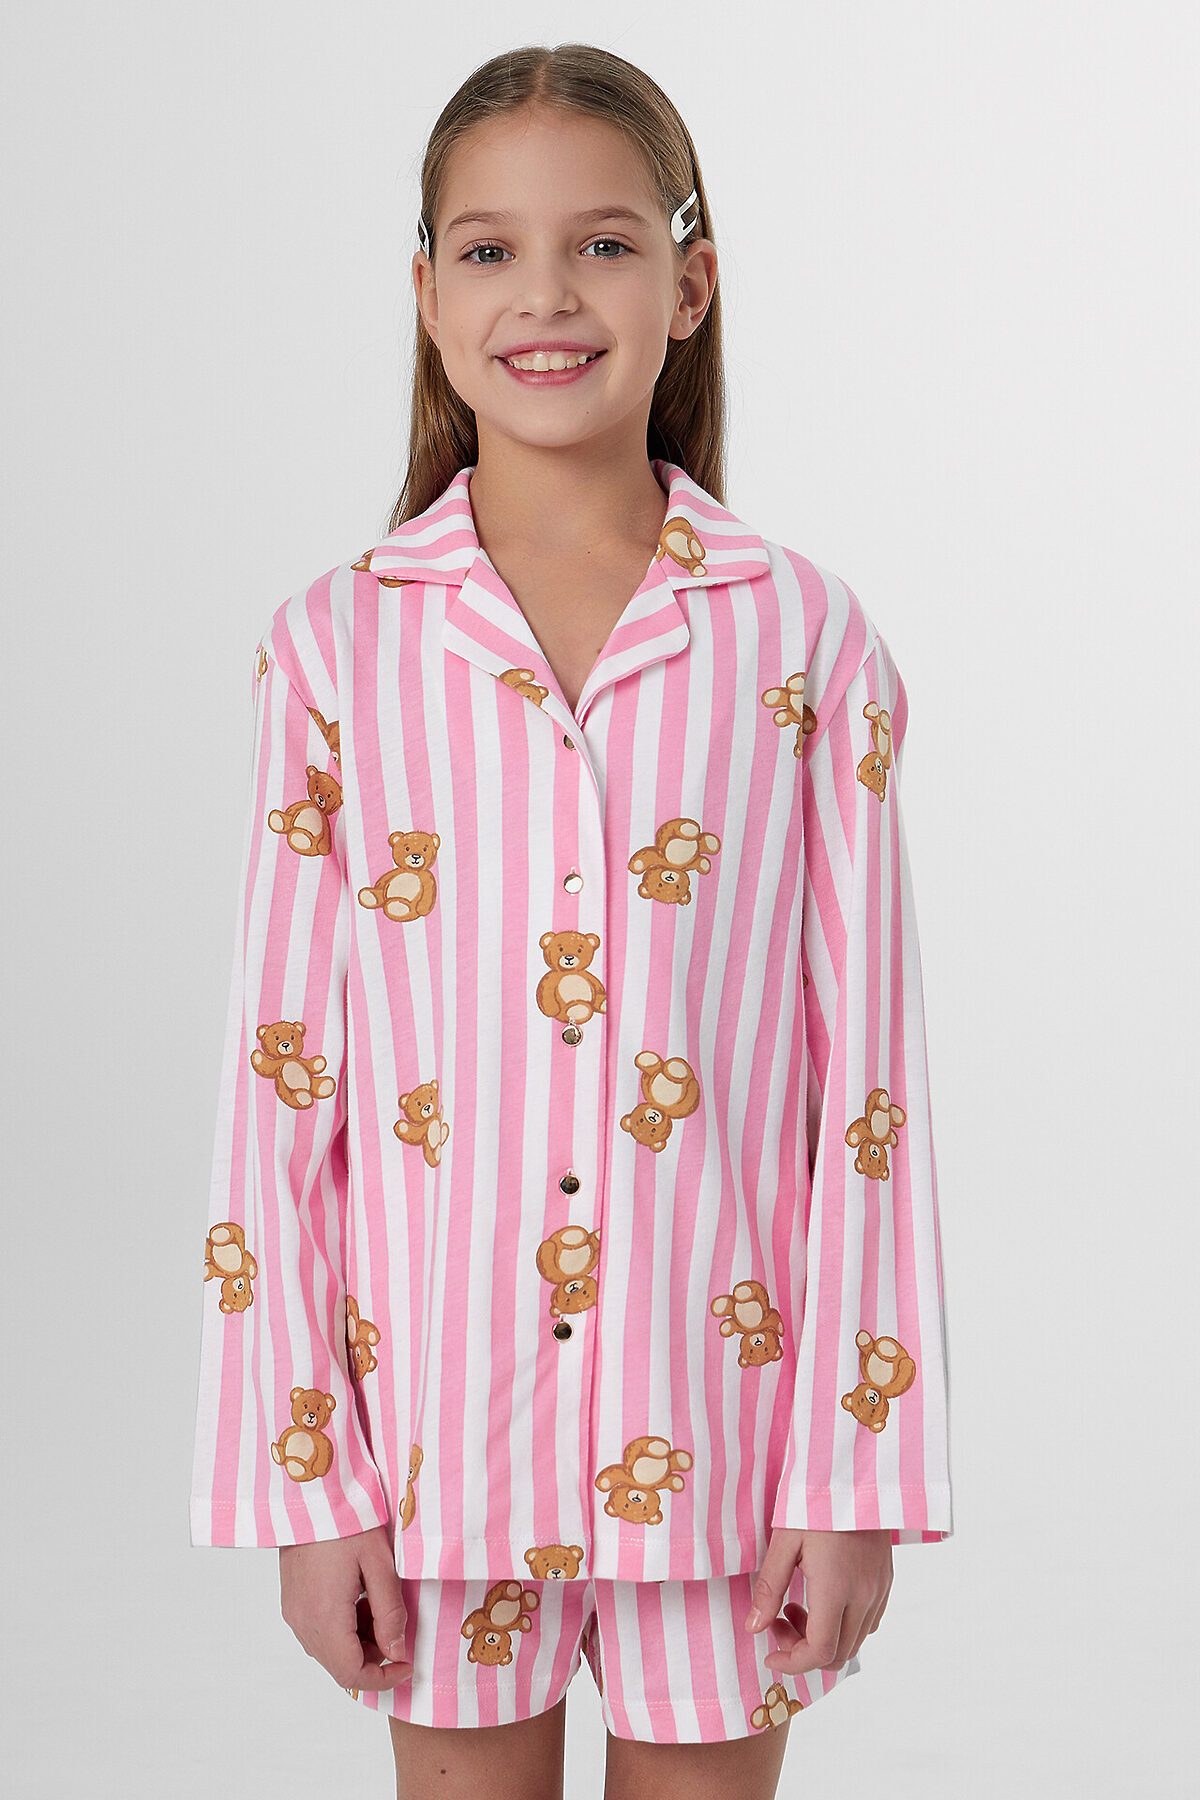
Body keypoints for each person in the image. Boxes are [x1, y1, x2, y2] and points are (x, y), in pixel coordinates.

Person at [189, 41, 953, 1800]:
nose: (544, 295)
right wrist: (310, 1485)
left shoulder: (803, 642)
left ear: (690, 284)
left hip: (727, 1451)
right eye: (488, 249)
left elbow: (868, 1101)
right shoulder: (338, 648)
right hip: (434, 1451)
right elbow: (280, 1093)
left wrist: (853, 1476)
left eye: (603, 245)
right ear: (426, 295)